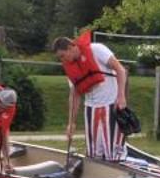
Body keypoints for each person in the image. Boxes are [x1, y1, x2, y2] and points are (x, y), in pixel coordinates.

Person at [55, 31, 129, 161]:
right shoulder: (71, 67)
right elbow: (75, 94)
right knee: (94, 154)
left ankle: (120, 172)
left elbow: (120, 70)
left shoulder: (97, 49)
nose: (62, 60)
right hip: (91, 108)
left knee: (114, 153)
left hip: (110, 104)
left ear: (70, 47)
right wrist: (71, 123)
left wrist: (121, 96)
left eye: (62, 56)